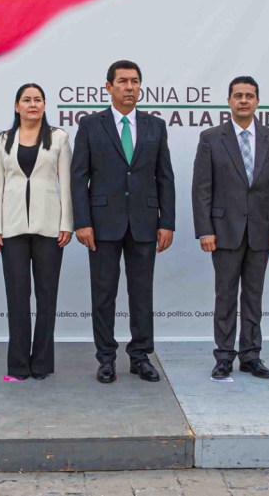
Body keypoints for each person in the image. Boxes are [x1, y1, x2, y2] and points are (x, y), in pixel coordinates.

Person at [71, 60, 175, 384]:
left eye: (134, 81)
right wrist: (82, 222)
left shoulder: (155, 126)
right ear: (109, 87)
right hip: (102, 224)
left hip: (144, 222)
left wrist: (167, 221)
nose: (129, 87)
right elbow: (79, 178)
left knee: (141, 294)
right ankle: (106, 358)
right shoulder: (90, 125)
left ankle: (141, 356)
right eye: (122, 81)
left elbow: (165, 177)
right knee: (103, 294)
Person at [192, 76, 269, 380]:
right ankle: (223, 356)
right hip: (224, 232)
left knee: (253, 296)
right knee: (225, 295)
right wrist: (205, 229)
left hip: (261, 231)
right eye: (238, 95)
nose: (244, 100)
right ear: (229, 101)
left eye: (249, 95)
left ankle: (251, 356)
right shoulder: (211, 137)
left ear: (257, 101)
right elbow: (202, 188)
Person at [0, 83, 73, 381]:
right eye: (26, 100)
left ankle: (42, 364)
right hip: (11, 229)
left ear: (45, 106)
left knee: (47, 296)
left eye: (37, 100)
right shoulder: (1, 140)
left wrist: (67, 224)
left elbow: (67, 184)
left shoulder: (59, 138)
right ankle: (18, 365)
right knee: (17, 297)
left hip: (50, 228)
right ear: (16, 106)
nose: (32, 104)